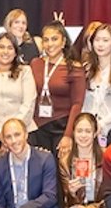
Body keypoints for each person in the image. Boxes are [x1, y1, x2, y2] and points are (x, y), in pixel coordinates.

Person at [29, 21, 86, 155]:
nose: (50, 44)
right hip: (37, 127)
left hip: (61, 127)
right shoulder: (35, 64)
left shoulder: (75, 68)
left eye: (54, 39)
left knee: (59, 172)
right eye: (46, 40)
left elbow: (77, 104)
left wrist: (68, 135)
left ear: (63, 41)